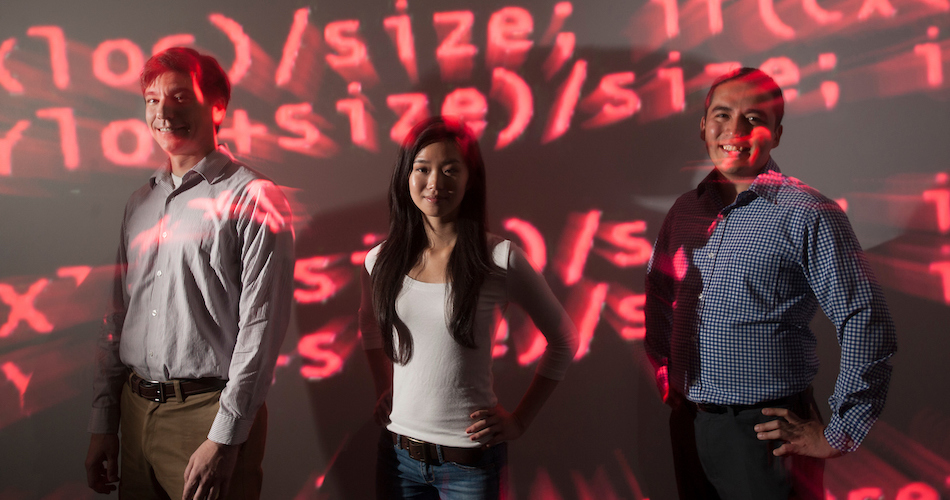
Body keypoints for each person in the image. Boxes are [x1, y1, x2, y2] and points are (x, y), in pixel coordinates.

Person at [644, 68, 897, 499]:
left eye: (754, 119)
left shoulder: (808, 212)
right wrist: (666, 372)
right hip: (691, 421)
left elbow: (866, 320)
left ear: (777, 134)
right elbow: (660, 292)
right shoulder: (685, 211)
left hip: (766, 433)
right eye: (722, 115)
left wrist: (839, 433)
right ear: (703, 126)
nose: (735, 130)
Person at [84, 47, 294, 500]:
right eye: (153, 100)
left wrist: (225, 437)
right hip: (134, 411)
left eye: (181, 97)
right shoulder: (139, 202)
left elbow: (262, 329)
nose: (164, 112)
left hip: (209, 415)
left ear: (217, 107)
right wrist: (105, 422)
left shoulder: (254, 198)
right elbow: (116, 316)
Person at [359, 116, 579, 499]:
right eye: (422, 169)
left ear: (470, 178)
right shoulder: (380, 260)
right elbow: (369, 324)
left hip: (470, 468)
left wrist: (521, 420)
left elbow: (564, 339)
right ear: (405, 176)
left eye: (450, 170)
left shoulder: (499, 257)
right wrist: (385, 387)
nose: (435, 183)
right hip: (398, 461)